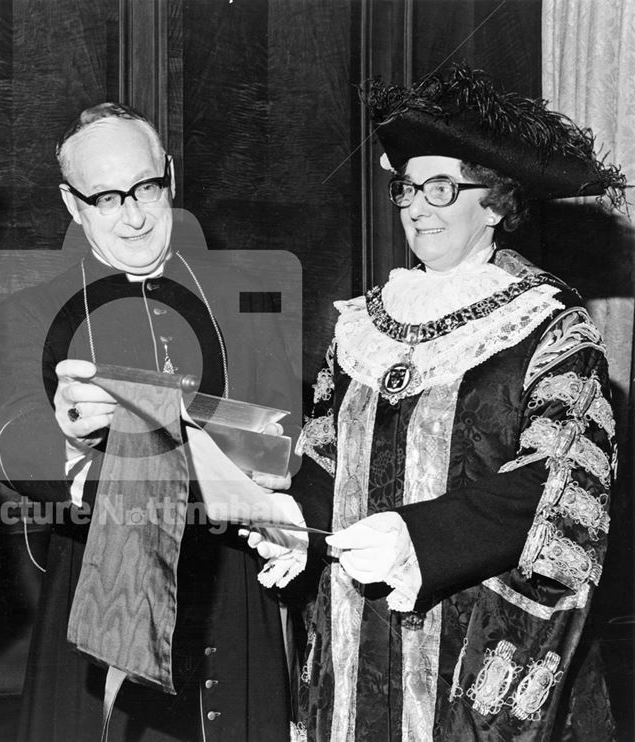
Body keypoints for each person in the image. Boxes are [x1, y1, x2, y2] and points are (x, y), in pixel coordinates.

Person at [246, 65, 625, 741]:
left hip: (471, 634)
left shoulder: (550, 326)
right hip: (353, 640)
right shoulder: (364, 323)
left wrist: (417, 538)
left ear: (496, 201)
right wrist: (291, 518)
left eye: (440, 187)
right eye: (407, 188)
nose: (417, 205)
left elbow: (555, 491)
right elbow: (329, 457)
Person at [0, 102, 301, 741]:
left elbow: (293, 427)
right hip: (107, 580)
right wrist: (70, 436)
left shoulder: (248, 294)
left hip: (236, 589)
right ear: (72, 205)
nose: (133, 215)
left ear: (169, 177)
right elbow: (10, 433)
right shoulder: (32, 310)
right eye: (105, 198)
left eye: (145, 188)